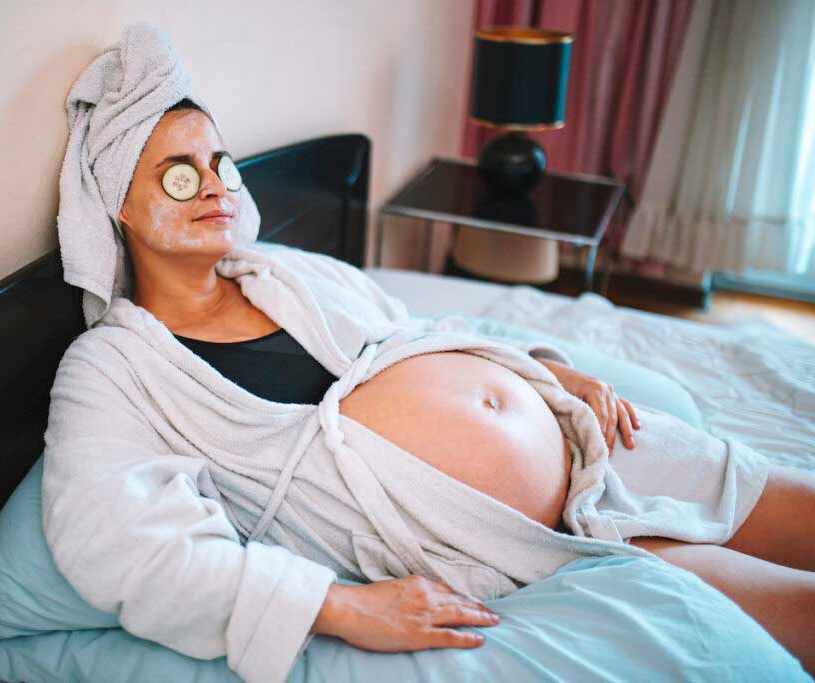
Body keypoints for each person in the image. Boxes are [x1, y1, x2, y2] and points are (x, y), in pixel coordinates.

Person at [46, 25, 814, 683]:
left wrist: (548, 369)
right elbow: (122, 547)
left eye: (220, 163)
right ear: (118, 201)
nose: (214, 187)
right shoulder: (115, 368)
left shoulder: (287, 271)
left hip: (587, 428)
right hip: (510, 533)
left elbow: (418, 330)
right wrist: (338, 605)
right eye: (179, 176)